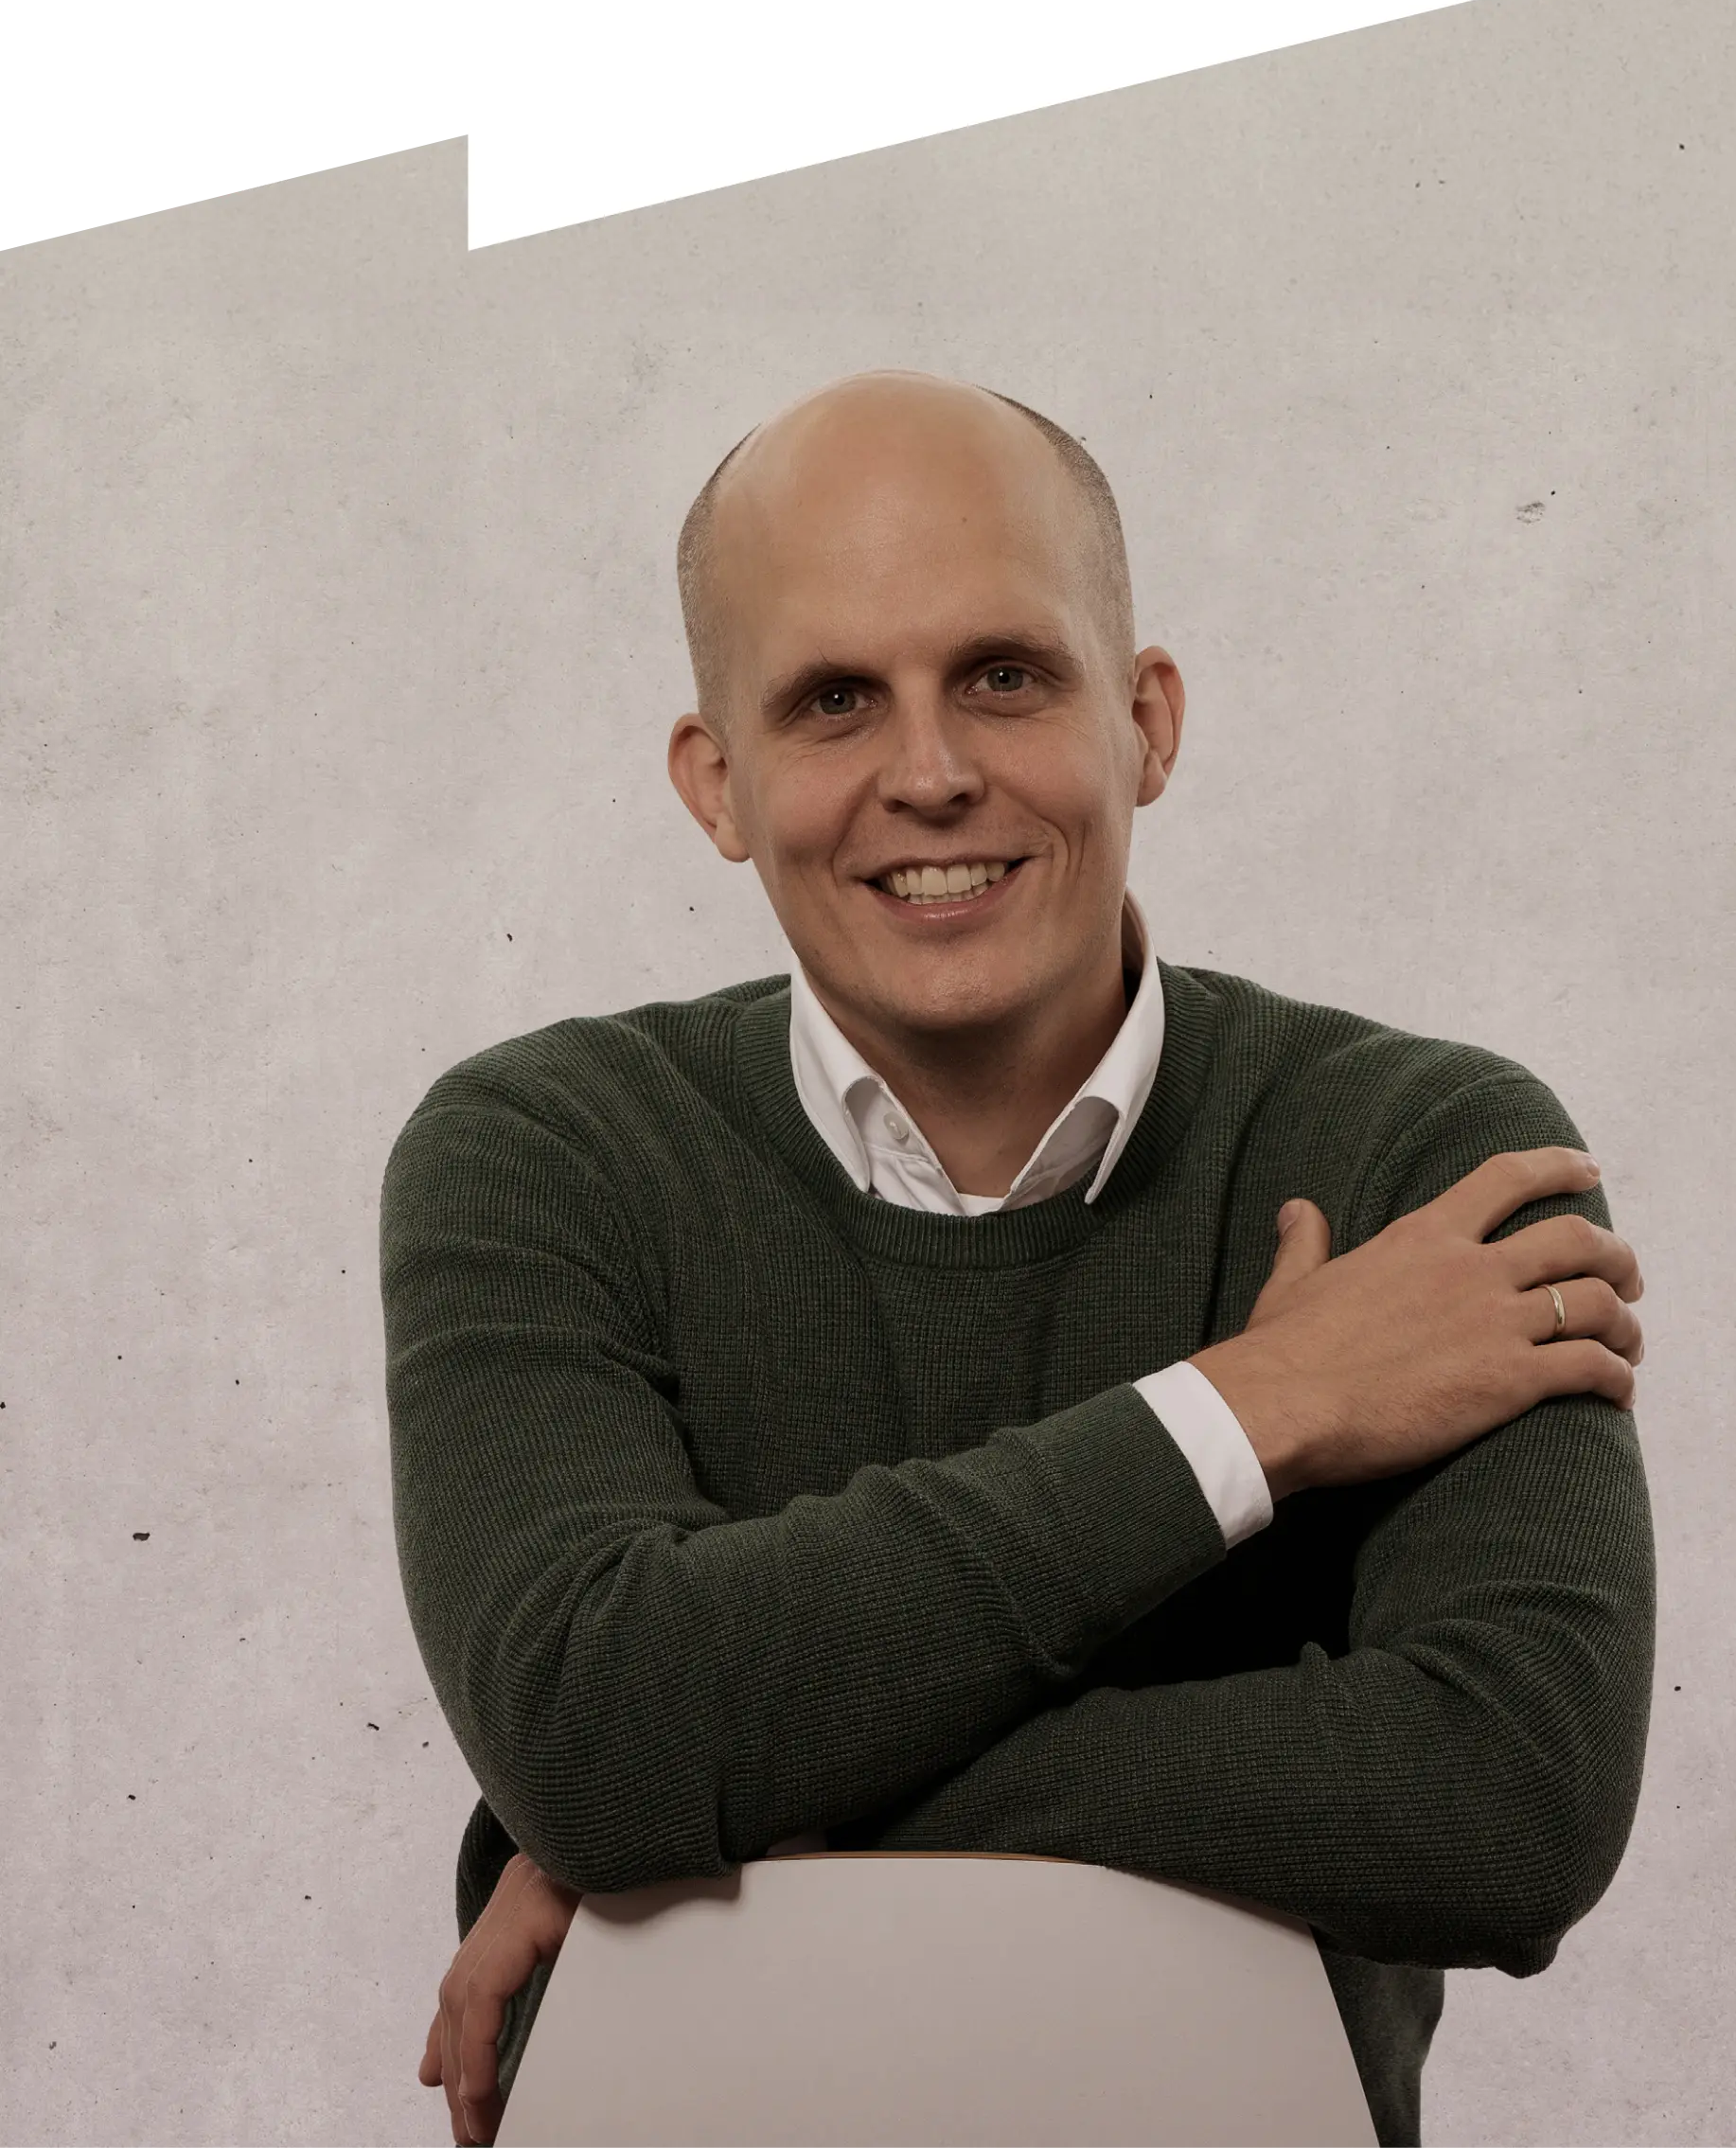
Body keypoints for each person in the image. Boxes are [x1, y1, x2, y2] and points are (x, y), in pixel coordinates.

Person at [381, 370, 1655, 2148]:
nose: (928, 774)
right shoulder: (544, 1153)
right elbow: (595, 1731)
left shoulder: (1419, 1157)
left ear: (1145, 722)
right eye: (833, 700)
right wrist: (1252, 1409)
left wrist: (721, 1802)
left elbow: (1511, 1807)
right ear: (718, 783)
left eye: (1002, 675)